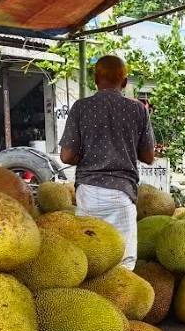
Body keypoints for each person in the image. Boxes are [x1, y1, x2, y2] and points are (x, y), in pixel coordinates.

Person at [60, 55, 155, 270]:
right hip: (122, 193)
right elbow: (148, 157)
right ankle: (119, 303)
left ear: (96, 79)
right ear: (124, 82)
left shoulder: (81, 107)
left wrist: (85, 155)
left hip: (88, 192)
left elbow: (66, 156)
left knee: (89, 259)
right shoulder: (137, 109)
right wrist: (126, 147)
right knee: (123, 263)